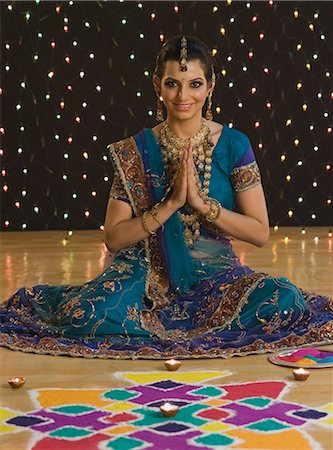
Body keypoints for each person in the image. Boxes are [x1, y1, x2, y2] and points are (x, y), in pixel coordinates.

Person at [0, 35, 332, 359]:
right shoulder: (136, 151)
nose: (183, 95)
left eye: (195, 84)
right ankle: (178, 326)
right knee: (83, 314)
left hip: (215, 277)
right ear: (158, 85)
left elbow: (260, 233)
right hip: (141, 276)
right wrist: (169, 204)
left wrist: (204, 206)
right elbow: (113, 240)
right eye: (173, 84)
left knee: (285, 299)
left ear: (211, 85)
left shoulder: (234, 145)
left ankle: (175, 326)